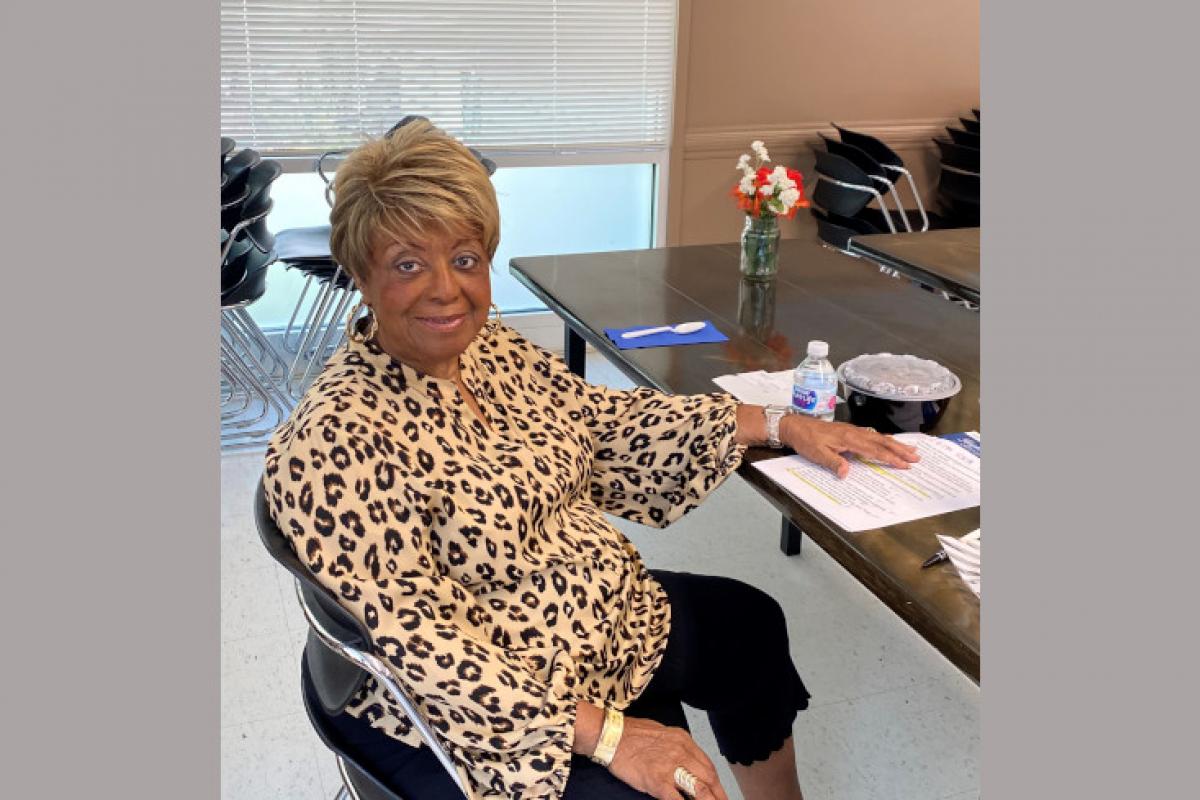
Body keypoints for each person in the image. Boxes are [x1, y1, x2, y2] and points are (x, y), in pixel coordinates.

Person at [263, 119, 919, 800]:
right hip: (457, 713)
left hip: (573, 618)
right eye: (407, 264)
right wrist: (612, 735)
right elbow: (423, 649)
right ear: (361, 275)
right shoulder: (337, 441)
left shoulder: (485, 350)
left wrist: (778, 423)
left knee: (748, 626)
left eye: (464, 259)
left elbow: (599, 421)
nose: (445, 291)